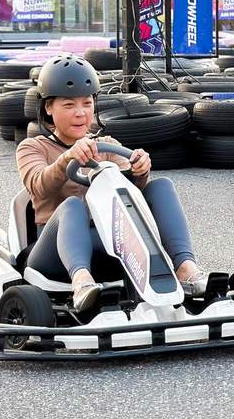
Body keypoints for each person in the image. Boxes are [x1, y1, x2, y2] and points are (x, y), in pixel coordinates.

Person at [16, 55, 208, 312]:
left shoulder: (107, 145)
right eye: (69, 104)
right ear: (49, 108)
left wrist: (139, 170)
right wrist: (67, 158)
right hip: (53, 255)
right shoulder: (32, 147)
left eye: (86, 103)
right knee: (72, 205)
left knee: (160, 186)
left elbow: (127, 193)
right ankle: (81, 282)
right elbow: (39, 185)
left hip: (112, 245)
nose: (80, 113)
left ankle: (185, 267)